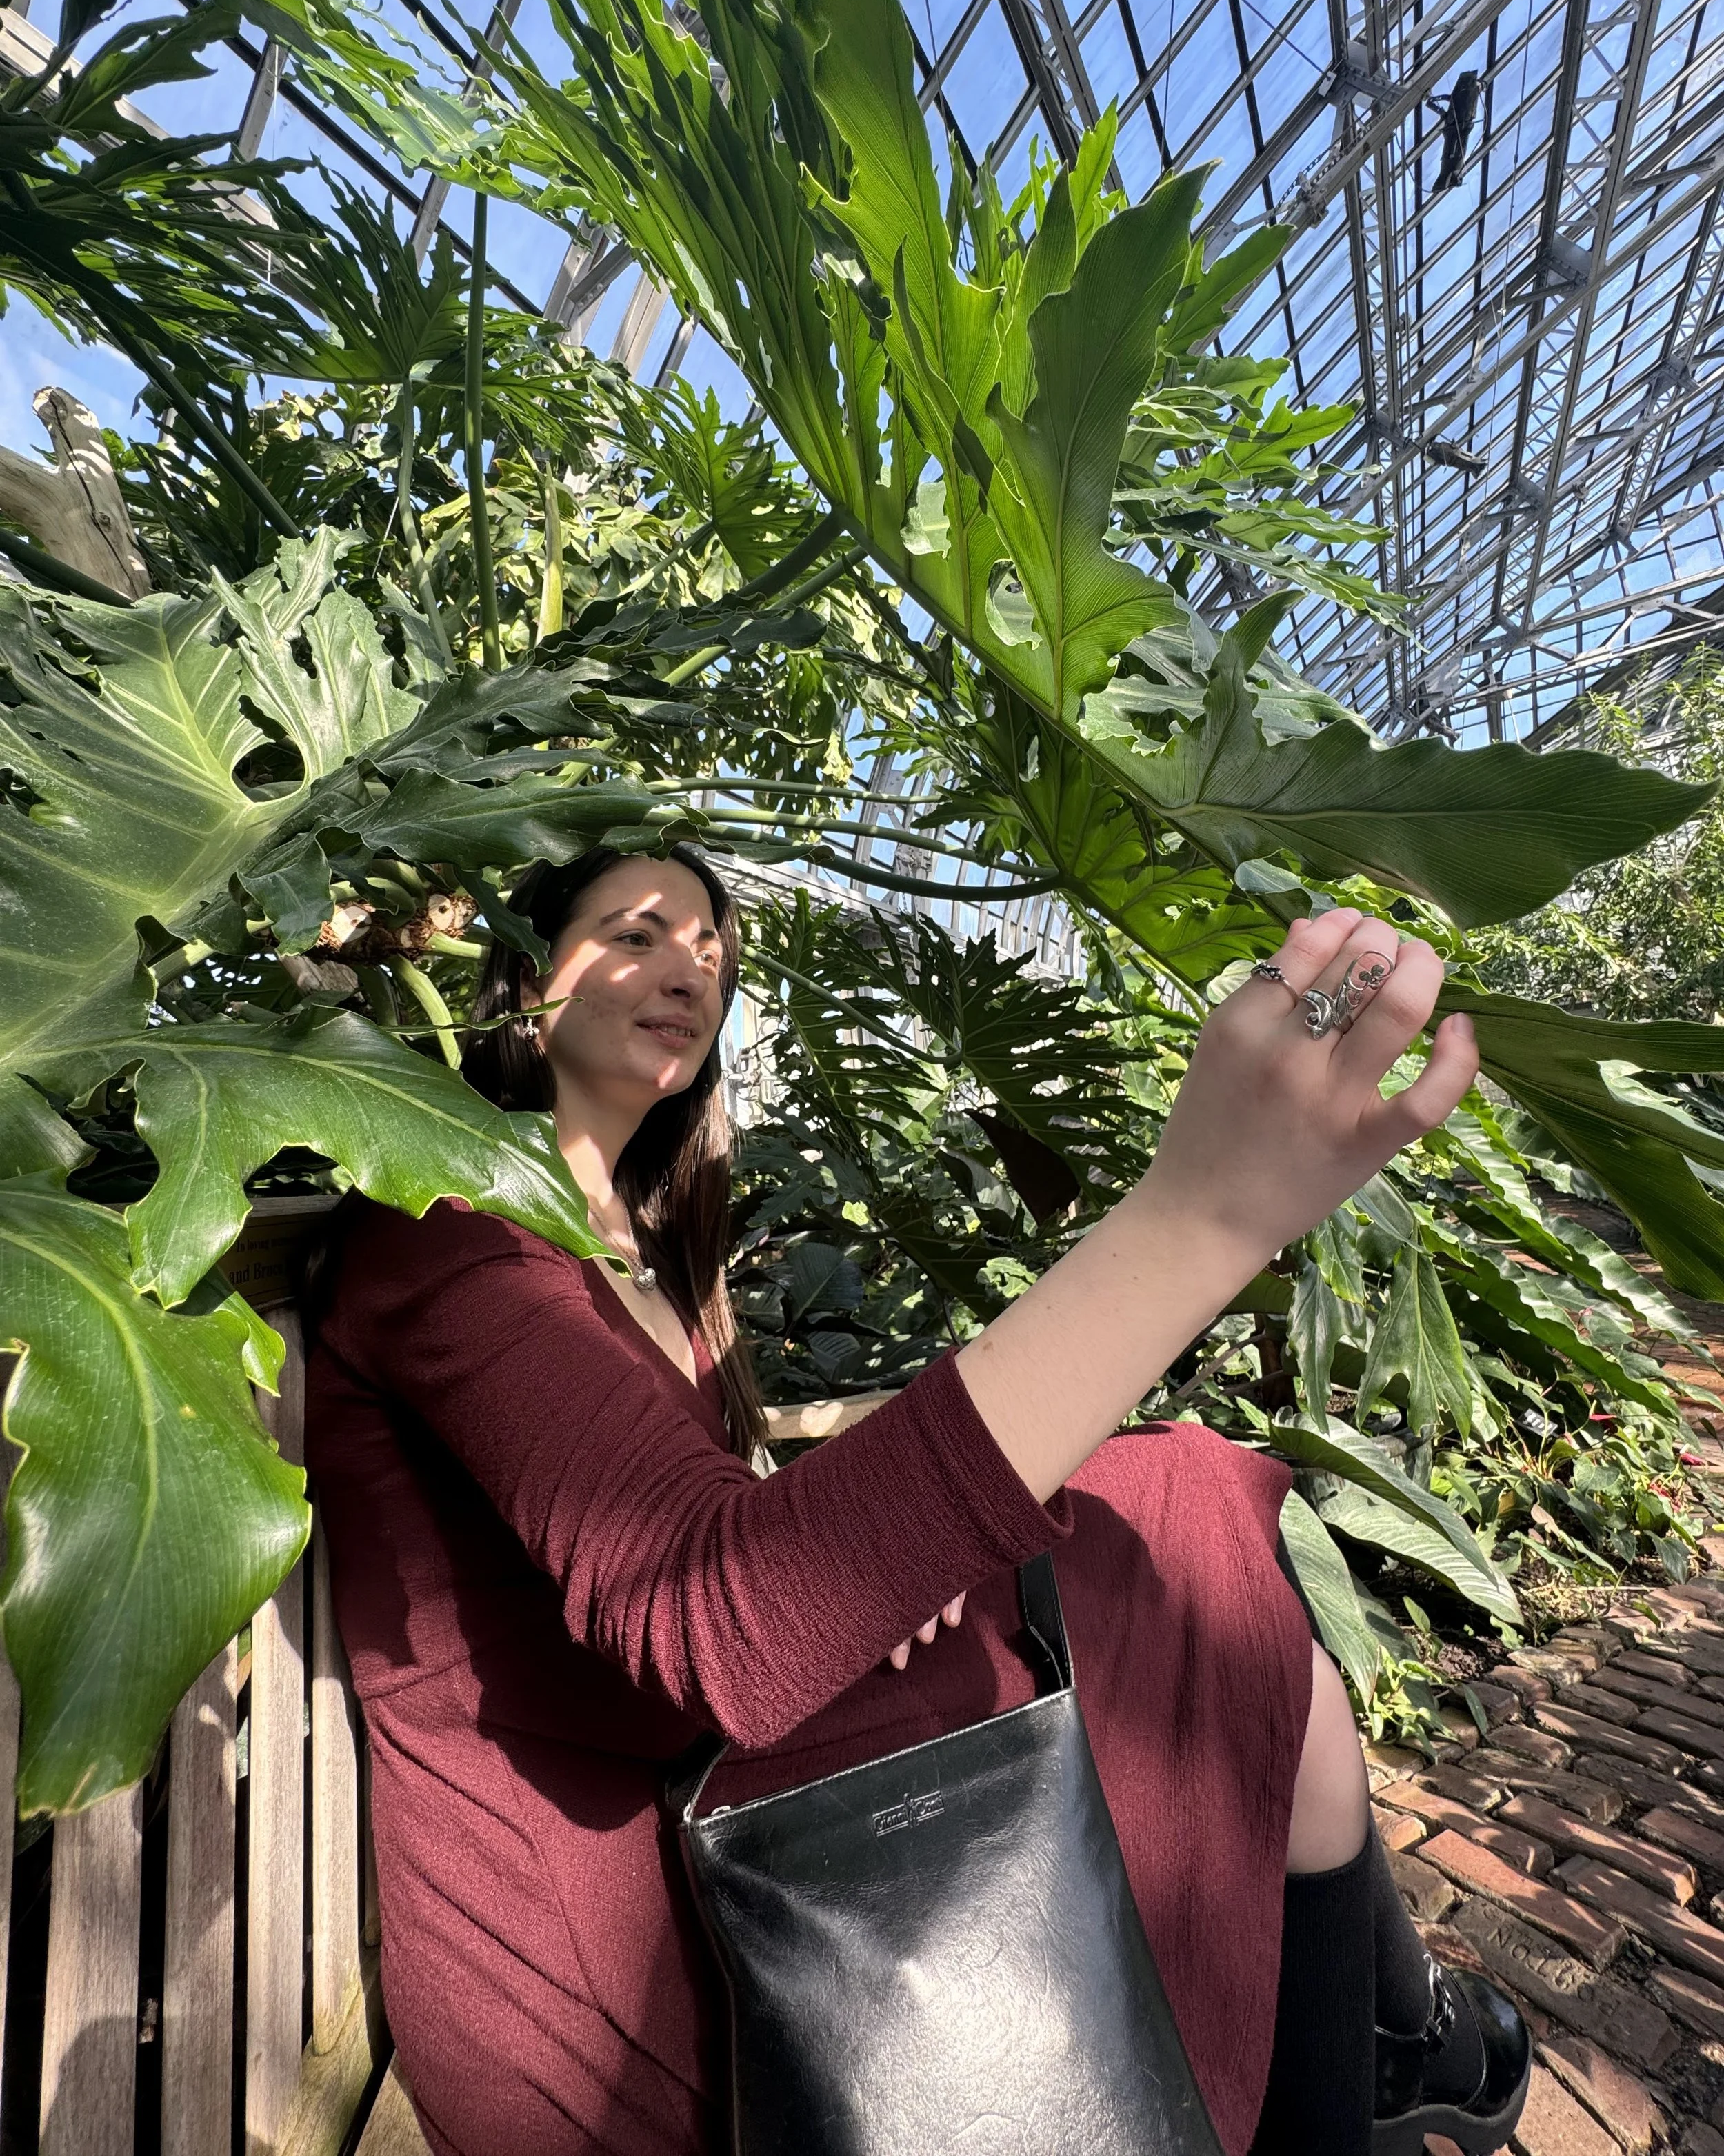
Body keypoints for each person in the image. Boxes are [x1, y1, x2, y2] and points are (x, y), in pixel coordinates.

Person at [304, 845, 1532, 2156]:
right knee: (1186, 1522)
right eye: (637, 933)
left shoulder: (657, 1256)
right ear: (523, 971)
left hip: (752, 1804)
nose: (689, 970)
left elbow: (716, 1531)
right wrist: (1201, 1222)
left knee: (1210, 1565)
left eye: (713, 949)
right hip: (659, 1939)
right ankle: (1388, 2053)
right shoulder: (446, 1229)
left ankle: (1380, 2060)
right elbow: (716, 1618)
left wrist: (866, 1550)